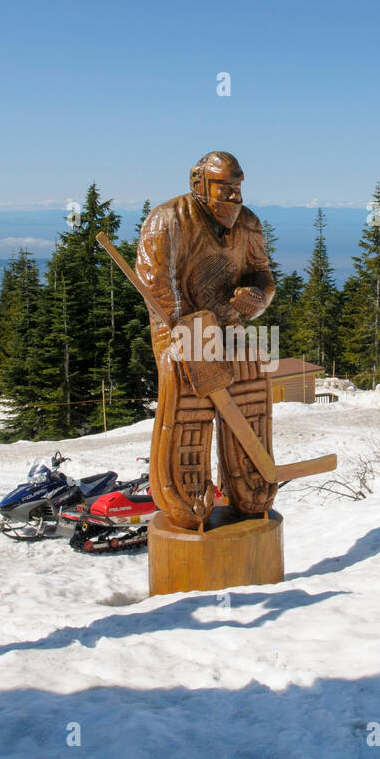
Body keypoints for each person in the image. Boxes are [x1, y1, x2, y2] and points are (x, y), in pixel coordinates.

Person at [135, 151, 277, 529]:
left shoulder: (248, 224)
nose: (233, 199)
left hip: (231, 331)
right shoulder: (168, 220)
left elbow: (262, 273)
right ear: (199, 184)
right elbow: (157, 285)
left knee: (249, 394)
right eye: (224, 189)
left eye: (237, 189)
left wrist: (258, 296)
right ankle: (187, 495)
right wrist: (188, 337)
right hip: (183, 335)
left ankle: (250, 489)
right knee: (190, 415)